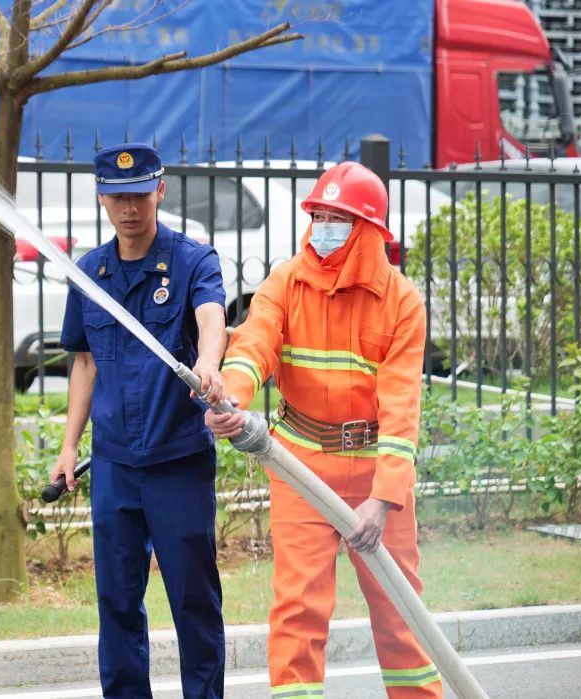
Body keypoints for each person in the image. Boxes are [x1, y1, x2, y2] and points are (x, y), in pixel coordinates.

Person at [205, 162, 443, 698]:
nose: (324, 228)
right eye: (319, 215)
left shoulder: (402, 302)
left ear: (370, 230)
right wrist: (232, 396)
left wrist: (383, 499)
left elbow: (401, 406)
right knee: (298, 610)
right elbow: (255, 344)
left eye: (339, 218)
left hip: (375, 472)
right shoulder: (286, 281)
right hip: (300, 466)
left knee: (400, 612)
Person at [51, 143, 229, 699]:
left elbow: (212, 317)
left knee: (193, 599)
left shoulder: (193, 260)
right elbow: (85, 363)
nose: (130, 208)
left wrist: (208, 363)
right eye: (118, 198)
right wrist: (68, 447)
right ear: (101, 198)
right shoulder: (90, 273)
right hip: (114, 466)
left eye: (140, 195)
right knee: (117, 602)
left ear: (160, 191)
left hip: (178, 460)